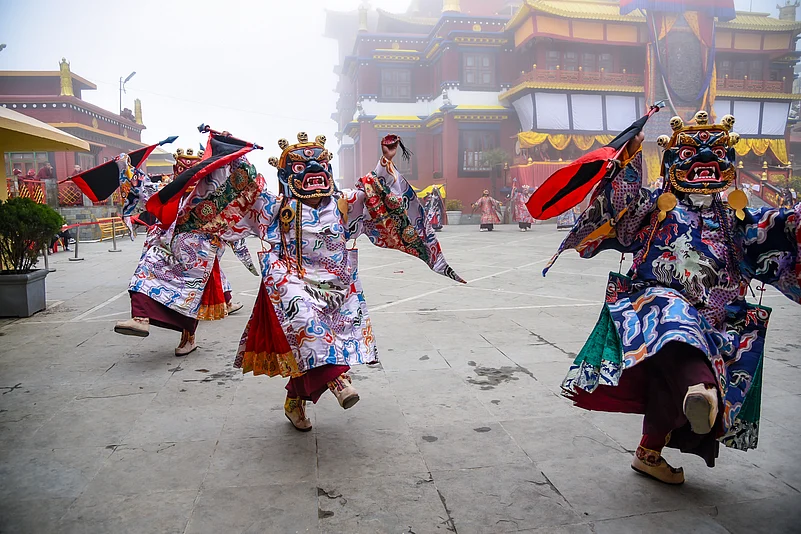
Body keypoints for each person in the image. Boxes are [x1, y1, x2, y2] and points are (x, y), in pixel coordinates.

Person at [551, 111, 800, 485]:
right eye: (689, 156)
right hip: (656, 304)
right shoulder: (654, 208)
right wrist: (628, 157)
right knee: (677, 328)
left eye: (716, 154)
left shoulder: (737, 219)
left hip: (714, 319)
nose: (704, 163)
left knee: (672, 380)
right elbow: (620, 209)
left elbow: (778, 234)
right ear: (669, 164)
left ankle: (649, 452)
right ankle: (702, 391)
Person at [172, 132, 463, 431]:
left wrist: (384, 162)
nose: (314, 172)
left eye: (320, 164)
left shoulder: (344, 203)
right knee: (309, 330)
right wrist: (230, 157)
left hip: (336, 289)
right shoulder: (274, 207)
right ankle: (339, 382)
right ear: (286, 174)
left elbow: (379, 190)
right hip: (291, 282)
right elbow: (235, 189)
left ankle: (294, 401)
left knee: (316, 347)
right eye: (300, 168)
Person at [114, 151, 253, 355]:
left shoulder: (212, 193)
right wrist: (124, 167)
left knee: (191, 293)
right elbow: (144, 191)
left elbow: (240, 184)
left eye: (193, 167)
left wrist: (233, 154)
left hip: (199, 254)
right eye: (183, 167)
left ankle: (188, 338)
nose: (187, 171)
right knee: (145, 270)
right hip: (166, 247)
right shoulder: (170, 190)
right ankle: (141, 318)